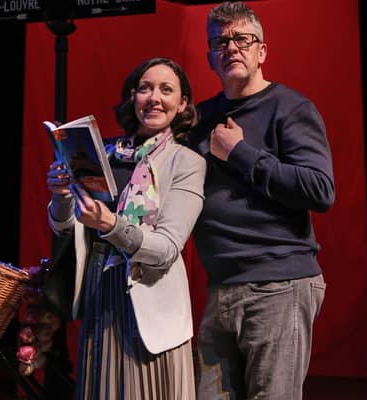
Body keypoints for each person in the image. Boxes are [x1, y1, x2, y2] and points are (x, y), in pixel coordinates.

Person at [188, 2, 335, 400]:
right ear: (210, 57)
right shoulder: (201, 119)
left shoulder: (290, 107)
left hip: (279, 286)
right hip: (220, 287)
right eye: (220, 41)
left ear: (261, 51)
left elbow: (320, 190)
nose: (231, 48)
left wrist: (240, 152)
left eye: (242, 39)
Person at [46, 57, 206, 400]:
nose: (154, 97)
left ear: (182, 105)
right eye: (145, 88)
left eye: (166, 90)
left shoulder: (186, 163)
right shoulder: (102, 153)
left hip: (150, 301)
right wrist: (61, 196)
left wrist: (112, 224)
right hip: (101, 293)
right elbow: (66, 227)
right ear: (133, 98)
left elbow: (165, 249)